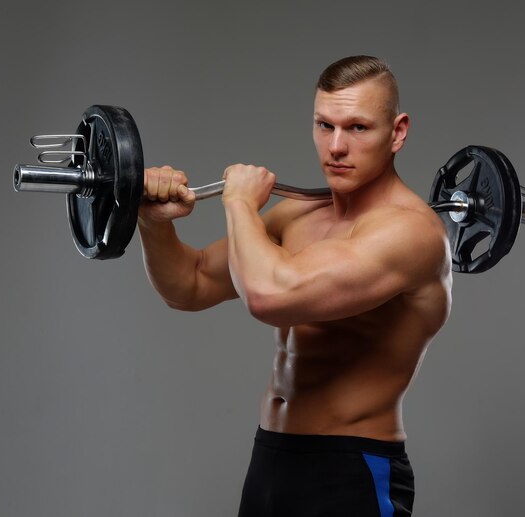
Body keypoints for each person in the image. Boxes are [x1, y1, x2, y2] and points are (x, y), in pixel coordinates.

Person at [138, 55, 452, 517]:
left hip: (350, 469)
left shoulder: (411, 234)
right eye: (324, 125)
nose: (336, 146)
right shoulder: (299, 214)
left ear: (398, 131)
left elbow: (270, 297)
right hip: (271, 459)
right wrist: (153, 223)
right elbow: (188, 285)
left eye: (358, 128)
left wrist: (241, 204)